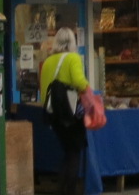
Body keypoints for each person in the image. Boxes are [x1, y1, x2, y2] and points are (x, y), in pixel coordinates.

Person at [39, 28, 91, 195]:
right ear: (72, 42)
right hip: (71, 113)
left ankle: (62, 189)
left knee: (68, 152)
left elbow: (44, 89)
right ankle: (70, 190)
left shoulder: (48, 62)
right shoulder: (73, 58)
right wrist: (88, 89)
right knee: (74, 152)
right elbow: (79, 81)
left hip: (54, 114)